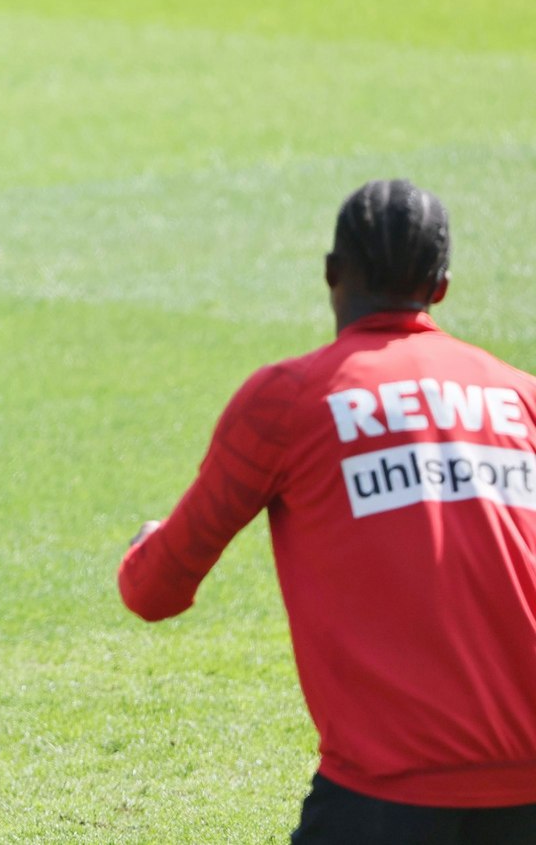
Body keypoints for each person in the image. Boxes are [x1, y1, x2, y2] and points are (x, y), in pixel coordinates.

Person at [119, 180, 536, 843]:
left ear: (331, 273)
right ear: (443, 286)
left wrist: (148, 544)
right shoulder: (522, 397)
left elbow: (155, 589)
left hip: (386, 794)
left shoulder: (289, 399)